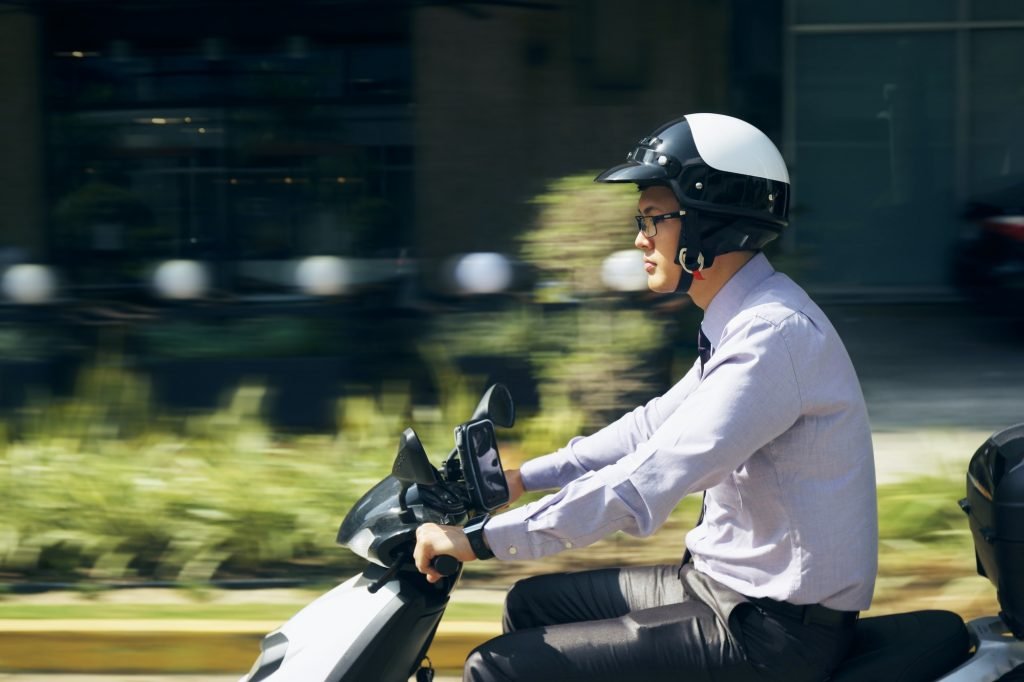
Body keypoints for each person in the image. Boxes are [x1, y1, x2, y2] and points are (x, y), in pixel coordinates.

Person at [413, 113, 878, 682]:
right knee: (526, 606)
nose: (640, 238)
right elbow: (650, 427)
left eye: (655, 218)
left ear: (710, 224)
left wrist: (481, 540)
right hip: (721, 588)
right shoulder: (744, 321)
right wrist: (525, 477)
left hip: (770, 632)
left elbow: (648, 478)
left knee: (498, 669)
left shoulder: (773, 339)